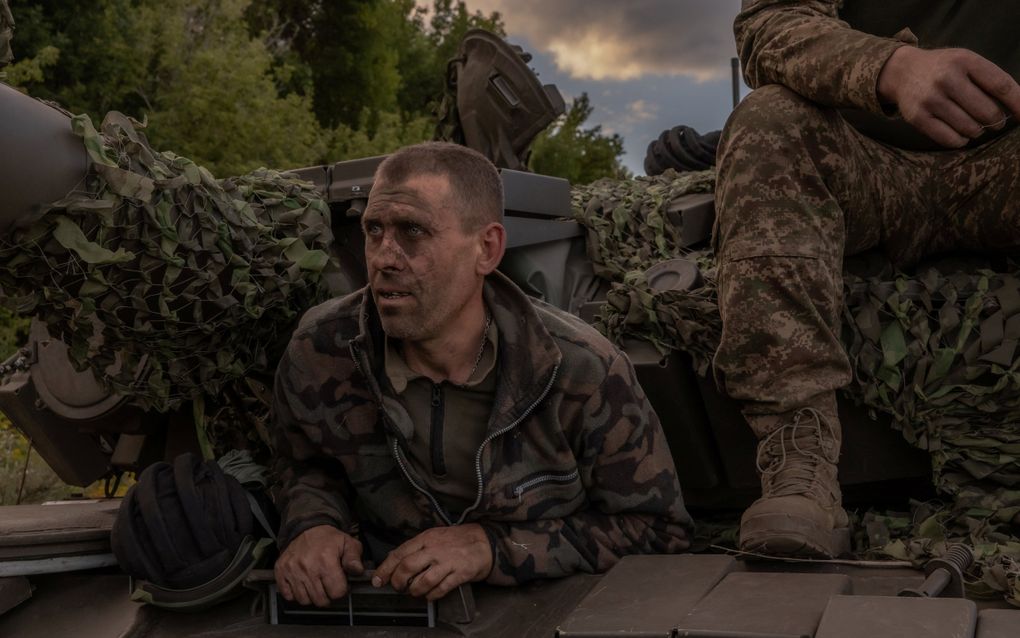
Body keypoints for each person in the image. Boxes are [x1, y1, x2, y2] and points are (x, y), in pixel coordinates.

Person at [271, 142, 692, 606]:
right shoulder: (322, 347)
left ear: (486, 249)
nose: (383, 258)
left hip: (539, 608)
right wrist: (313, 524)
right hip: (384, 603)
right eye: (374, 230)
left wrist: (494, 549)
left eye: (412, 231)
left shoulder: (579, 370)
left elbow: (657, 531)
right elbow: (304, 465)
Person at [714, 0, 1020, 559]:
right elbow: (768, 25)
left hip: (1006, 162)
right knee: (768, 118)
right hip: (861, 159)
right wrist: (893, 67)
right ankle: (800, 466)